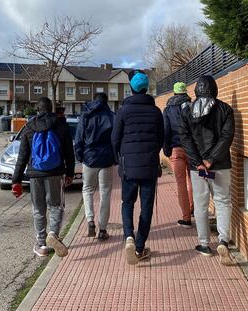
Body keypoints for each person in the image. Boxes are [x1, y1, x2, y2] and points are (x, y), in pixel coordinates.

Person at [179, 75, 235, 265]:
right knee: (223, 201)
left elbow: (185, 139)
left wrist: (199, 162)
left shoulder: (187, 111)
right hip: (221, 164)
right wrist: (211, 159)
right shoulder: (225, 109)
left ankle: (204, 244)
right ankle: (223, 240)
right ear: (214, 88)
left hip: (197, 168)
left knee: (201, 204)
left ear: (197, 90)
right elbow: (227, 136)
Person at [12, 97, 75, 258]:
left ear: (37, 109)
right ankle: (53, 233)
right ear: (51, 108)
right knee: (56, 206)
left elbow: (22, 156)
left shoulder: (29, 127)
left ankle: (41, 244)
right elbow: (69, 152)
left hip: (35, 174)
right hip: (55, 172)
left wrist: (16, 180)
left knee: (38, 209)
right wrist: (69, 172)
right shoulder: (61, 125)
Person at [111, 70, 164, 265]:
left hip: (128, 167)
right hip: (149, 166)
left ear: (131, 89)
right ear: (147, 88)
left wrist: (119, 158)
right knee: (146, 207)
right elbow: (161, 138)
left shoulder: (123, 111)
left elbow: (115, 138)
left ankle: (128, 237)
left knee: (127, 203)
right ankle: (140, 247)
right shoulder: (156, 111)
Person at [75, 93, 116, 240]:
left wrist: (80, 156)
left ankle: (90, 220)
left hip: (89, 157)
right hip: (106, 159)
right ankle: (103, 229)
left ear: (94, 100)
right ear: (106, 102)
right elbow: (116, 139)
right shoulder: (112, 116)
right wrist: (115, 158)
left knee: (87, 190)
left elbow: (79, 138)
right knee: (105, 193)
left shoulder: (86, 115)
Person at [163, 82, 194, 228]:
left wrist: (167, 149)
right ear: (185, 93)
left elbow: (166, 130)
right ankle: (193, 208)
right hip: (192, 149)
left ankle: (186, 218)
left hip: (176, 149)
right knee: (192, 180)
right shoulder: (192, 105)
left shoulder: (168, 109)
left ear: (174, 93)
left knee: (180, 183)